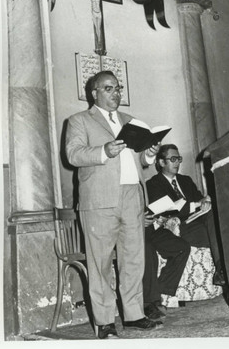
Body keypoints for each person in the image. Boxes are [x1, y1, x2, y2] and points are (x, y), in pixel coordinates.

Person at [66, 70, 162, 339]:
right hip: (99, 200)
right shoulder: (79, 121)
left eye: (118, 88)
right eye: (108, 88)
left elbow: (138, 161)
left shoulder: (131, 121)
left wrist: (149, 156)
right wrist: (103, 151)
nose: (116, 93)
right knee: (101, 263)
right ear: (94, 93)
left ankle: (133, 315)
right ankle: (105, 321)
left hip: (132, 195)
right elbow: (73, 154)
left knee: (133, 259)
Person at [143, 144, 225, 317]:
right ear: (160, 162)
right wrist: (195, 204)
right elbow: (166, 210)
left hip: (196, 221)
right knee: (219, 235)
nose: (177, 162)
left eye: (178, 158)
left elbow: (198, 201)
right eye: (173, 159)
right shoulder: (153, 184)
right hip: (177, 227)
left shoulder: (186, 180)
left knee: (213, 217)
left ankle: (220, 269)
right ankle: (222, 265)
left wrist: (204, 202)